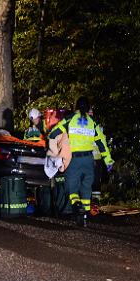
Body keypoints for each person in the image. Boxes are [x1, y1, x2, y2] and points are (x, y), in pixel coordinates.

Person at [48, 97, 113, 226]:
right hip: (89, 160)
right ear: (88, 108)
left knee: (71, 187)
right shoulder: (93, 122)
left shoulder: (70, 119)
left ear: (76, 107)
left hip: (74, 160)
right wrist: (108, 160)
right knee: (86, 187)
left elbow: (54, 132)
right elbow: (102, 143)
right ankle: (85, 214)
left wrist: (54, 142)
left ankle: (77, 206)